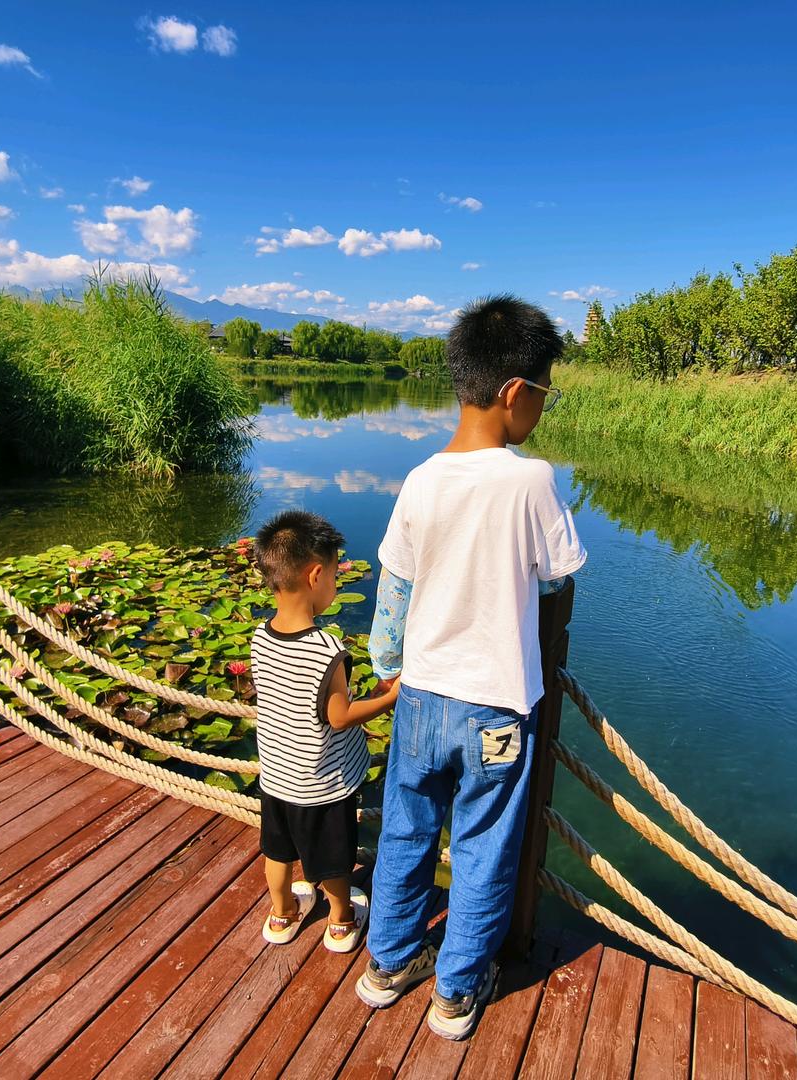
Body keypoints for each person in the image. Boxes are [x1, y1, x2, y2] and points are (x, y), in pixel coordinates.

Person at [355, 295, 587, 1039]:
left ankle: (387, 963)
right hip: (495, 708)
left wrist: (388, 664)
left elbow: (394, 593)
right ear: (516, 393)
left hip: (419, 696)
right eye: (545, 393)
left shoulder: (420, 479)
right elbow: (559, 575)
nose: (543, 410)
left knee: (405, 829)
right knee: (485, 843)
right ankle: (455, 991)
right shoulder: (530, 479)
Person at [250, 510, 399, 952]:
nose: (336, 583)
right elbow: (339, 717)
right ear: (316, 575)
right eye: (335, 575)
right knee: (334, 861)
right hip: (323, 786)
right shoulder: (327, 651)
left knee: (277, 854)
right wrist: (389, 697)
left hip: (277, 780)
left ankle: (281, 915)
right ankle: (340, 920)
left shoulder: (260, 636)